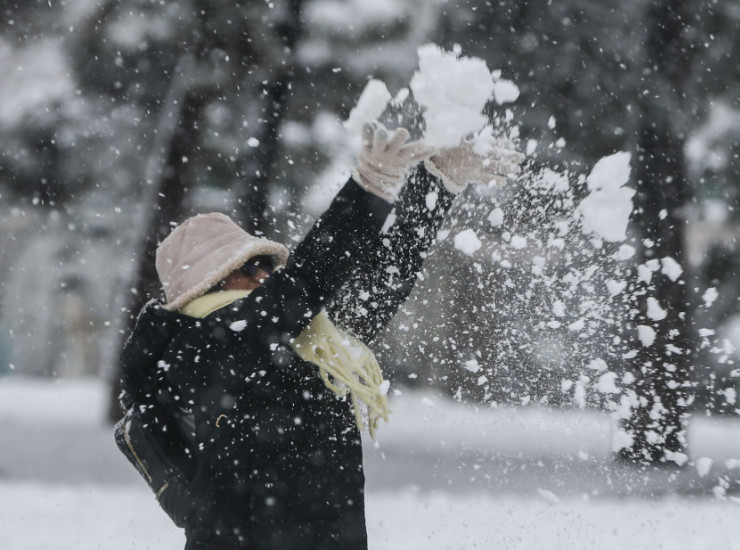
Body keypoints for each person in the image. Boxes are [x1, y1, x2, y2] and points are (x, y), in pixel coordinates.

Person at [118, 126, 522, 550]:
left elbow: (382, 283)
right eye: (245, 269)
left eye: (265, 266)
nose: (262, 276)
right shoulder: (199, 347)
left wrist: (437, 183)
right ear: (204, 289)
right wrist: (369, 188)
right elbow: (309, 278)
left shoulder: (307, 343)